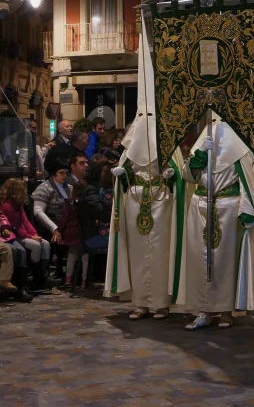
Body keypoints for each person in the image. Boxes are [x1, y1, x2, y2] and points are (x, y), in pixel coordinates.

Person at [104, 24, 185, 319]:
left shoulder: (168, 141)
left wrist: (170, 175)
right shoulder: (130, 144)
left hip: (161, 200)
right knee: (137, 252)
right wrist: (120, 176)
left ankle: (161, 302)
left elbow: (178, 170)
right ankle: (140, 302)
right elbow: (123, 171)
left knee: (160, 252)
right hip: (136, 201)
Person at [181, 113, 254, 330]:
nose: (216, 128)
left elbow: (246, 182)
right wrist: (199, 155)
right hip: (200, 206)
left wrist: (247, 209)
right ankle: (203, 310)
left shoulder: (239, 152)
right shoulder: (200, 147)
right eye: (212, 123)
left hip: (228, 208)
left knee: (225, 261)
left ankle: (227, 310)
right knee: (199, 259)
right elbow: (188, 176)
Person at [0, 178, 61, 291]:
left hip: (23, 234)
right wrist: (31, 237)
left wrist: (35, 234)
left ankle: (43, 276)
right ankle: (34, 276)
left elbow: (26, 222)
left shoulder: (18, 205)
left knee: (45, 243)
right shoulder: (7, 206)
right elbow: (16, 228)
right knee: (35, 245)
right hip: (13, 236)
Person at [72, 156, 113, 285]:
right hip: (93, 235)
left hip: (102, 231)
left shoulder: (101, 190)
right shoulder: (91, 190)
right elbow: (103, 214)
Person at [31, 159, 73, 281]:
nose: (64, 176)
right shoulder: (44, 188)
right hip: (48, 223)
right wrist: (54, 228)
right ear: (53, 174)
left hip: (65, 223)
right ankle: (49, 272)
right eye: (61, 173)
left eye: (66, 173)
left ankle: (70, 272)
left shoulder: (69, 188)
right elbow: (38, 212)